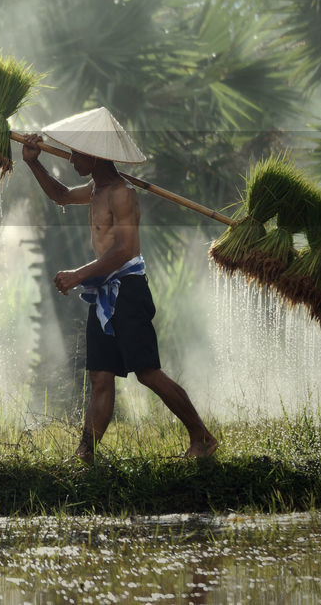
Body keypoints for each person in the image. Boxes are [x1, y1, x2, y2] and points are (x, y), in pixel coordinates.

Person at [20, 106, 218, 462]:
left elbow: (125, 250)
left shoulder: (121, 194)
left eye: (77, 152)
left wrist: (79, 274)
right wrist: (33, 162)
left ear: (95, 155)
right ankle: (85, 453)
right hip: (103, 294)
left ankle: (202, 437)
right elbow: (61, 195)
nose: (70, 157)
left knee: (147, 373)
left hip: (127, 290)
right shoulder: (96, 189)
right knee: (100, 376)